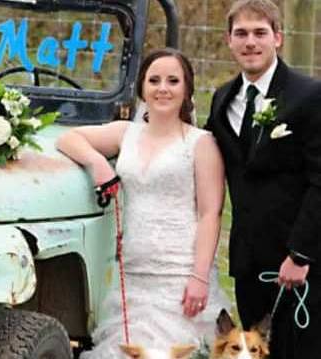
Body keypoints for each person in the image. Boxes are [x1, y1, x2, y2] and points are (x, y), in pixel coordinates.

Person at [56, 48, 228, 357]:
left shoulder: (201, 143)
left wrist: (199, 277)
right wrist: (97, 163)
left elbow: (210, 214)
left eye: (173, 81)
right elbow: (67, 139)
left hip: (180, 274)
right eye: (154, 80)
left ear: (187, 89)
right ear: (142, 88)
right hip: (133, 272)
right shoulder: (126, 133)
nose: (163, 88)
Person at [205, 1, 321, 358]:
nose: (250, 42)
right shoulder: (223, 99)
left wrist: (300, 254)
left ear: (278, 38)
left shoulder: (309, 95)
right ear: (228, 40)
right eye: (241, 33)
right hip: (247, 261)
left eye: (260, 33)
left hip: (300, 262)